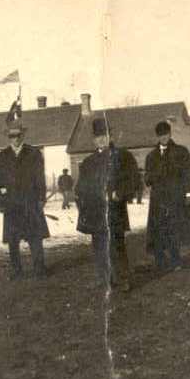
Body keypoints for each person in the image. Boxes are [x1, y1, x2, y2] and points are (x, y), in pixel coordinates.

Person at [76, 117, 140, 293]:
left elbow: (134, 179)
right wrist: (83, 202)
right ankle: (105, 280)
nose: (101, 139)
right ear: (93, 139)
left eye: (104, 135)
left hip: (115, 210)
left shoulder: (122, 156)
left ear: (110, 136)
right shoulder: (88, 162)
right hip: (96, 212)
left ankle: (123, 279)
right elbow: (81, 187)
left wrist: (120, 193)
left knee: (117, 245)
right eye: (98, 137)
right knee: (99, 247)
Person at [144, 120, 190, 273]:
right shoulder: (152, 156)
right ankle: (160, 262)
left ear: (170, 134)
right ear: (157, 136)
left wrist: (189, 192)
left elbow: (188, 173)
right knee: (159, 230)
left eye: (166, 134)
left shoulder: (181, 152)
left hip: (175, 197)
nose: (164, 138)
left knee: (174, 229)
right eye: (161, 135)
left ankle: (176, 260)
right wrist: (151, 177)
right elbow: (147, 178)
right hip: (158, 200)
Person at [0, 124, 48, 278]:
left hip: (30, 202)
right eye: (12, 136)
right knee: (13, 239)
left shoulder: (34, 153)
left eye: (18, 135)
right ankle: (16, 270)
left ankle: (39, 269)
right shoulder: (2, 156)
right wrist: (0, 201)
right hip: (12, 204)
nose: (15, 139)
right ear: (8, 137)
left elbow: (40, 178)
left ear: (22, 136)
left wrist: (41, 198)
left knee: (35, 237)